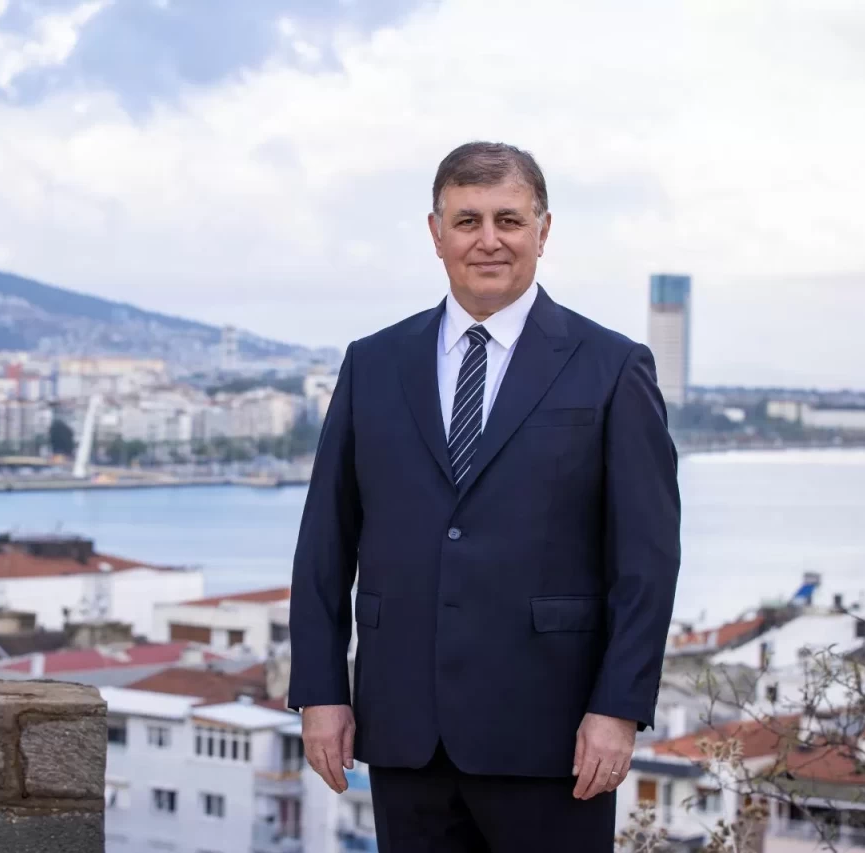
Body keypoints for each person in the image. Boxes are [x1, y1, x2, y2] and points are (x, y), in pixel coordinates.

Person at [287, 141, 681, 851]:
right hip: (404, 729)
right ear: (436, 233)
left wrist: (618, 709)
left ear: (543, 231)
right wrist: (320, 691)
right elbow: (325, 542)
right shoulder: (373, 363)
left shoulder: (613, 366)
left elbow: (646, 562)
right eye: (467, 220)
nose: (489, 240)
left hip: (556, 735)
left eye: (509, 219)